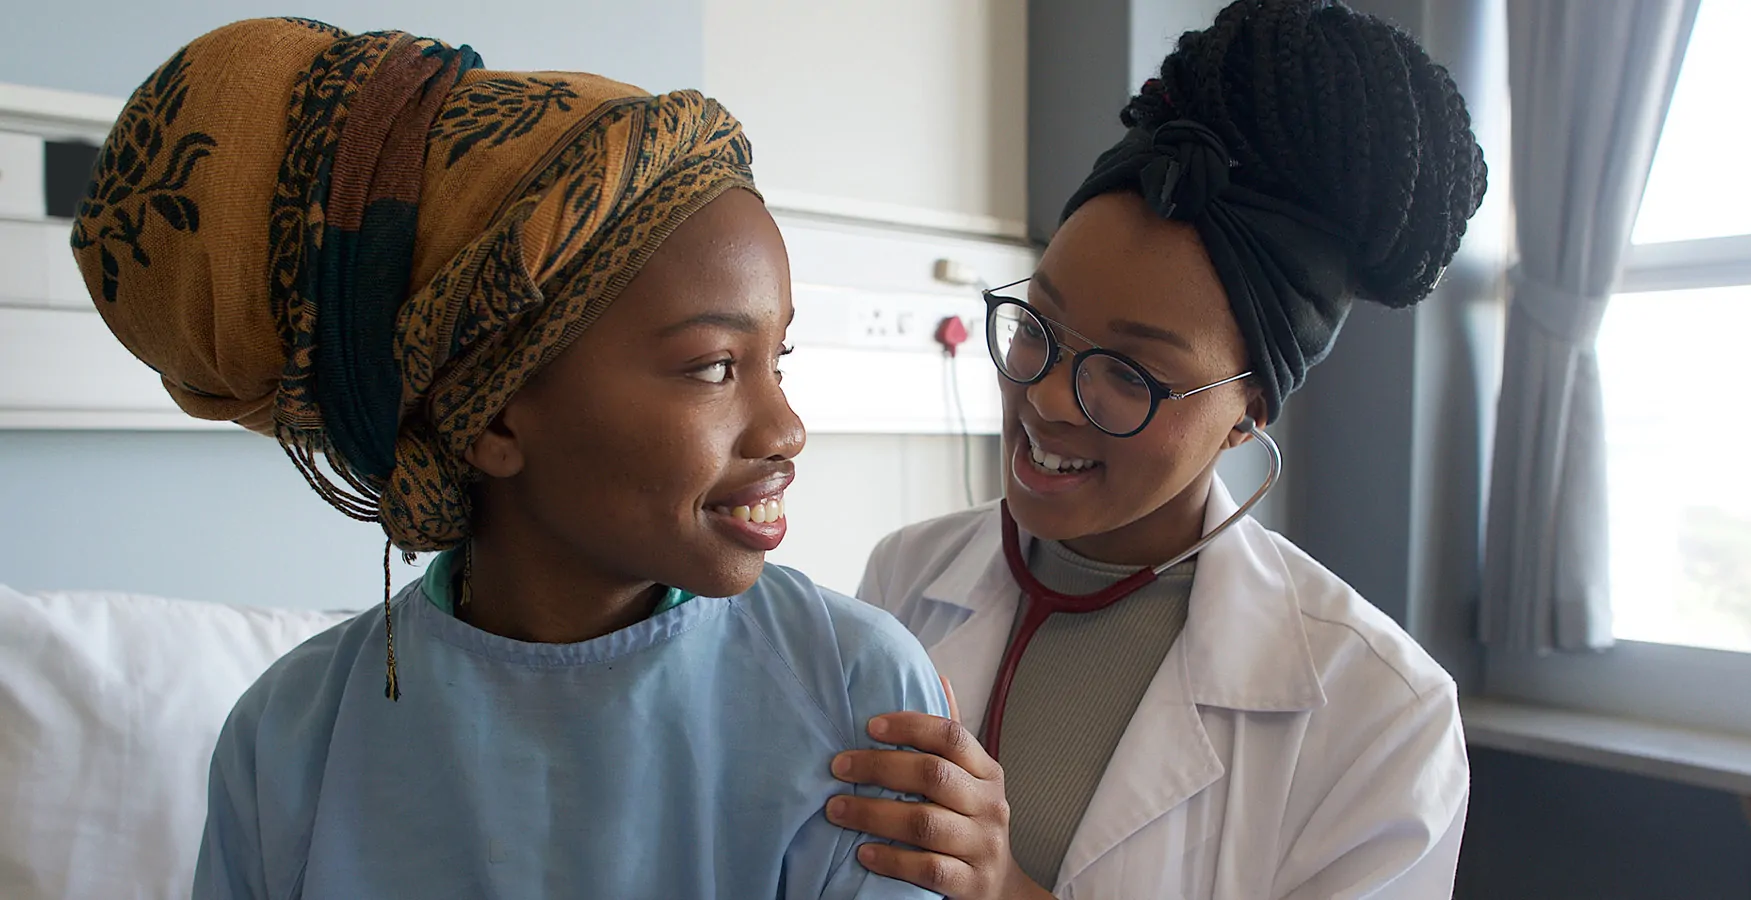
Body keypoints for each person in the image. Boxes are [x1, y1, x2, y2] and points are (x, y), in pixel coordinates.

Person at [72, 18, 948, 900]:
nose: (785, 429)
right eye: (715, 366)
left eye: (777, 360)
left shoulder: (856, 692)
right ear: (494, 420)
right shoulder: (291, 737)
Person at [823, 1, 1487, 897]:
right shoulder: (908, 577)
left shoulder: (1378, 714)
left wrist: (1006, 890)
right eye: (1038, 327)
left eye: (1129, 375)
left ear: (1248, 413)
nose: (1050, 398)